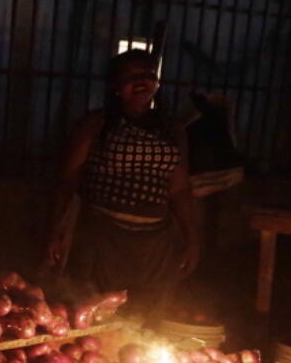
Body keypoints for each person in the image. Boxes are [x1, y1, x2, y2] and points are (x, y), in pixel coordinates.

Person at [44, 49, 199, 313]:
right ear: (116, 86)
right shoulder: (97, 124)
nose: (142, 82)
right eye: (132, 76)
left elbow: (180, 189)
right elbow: (68, 179)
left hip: (155, 245)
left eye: (149, 75)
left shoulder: (172, 129)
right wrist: (55, 230)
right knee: (96, 314)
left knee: (145, 319)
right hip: (104, 240)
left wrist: (192, 239)